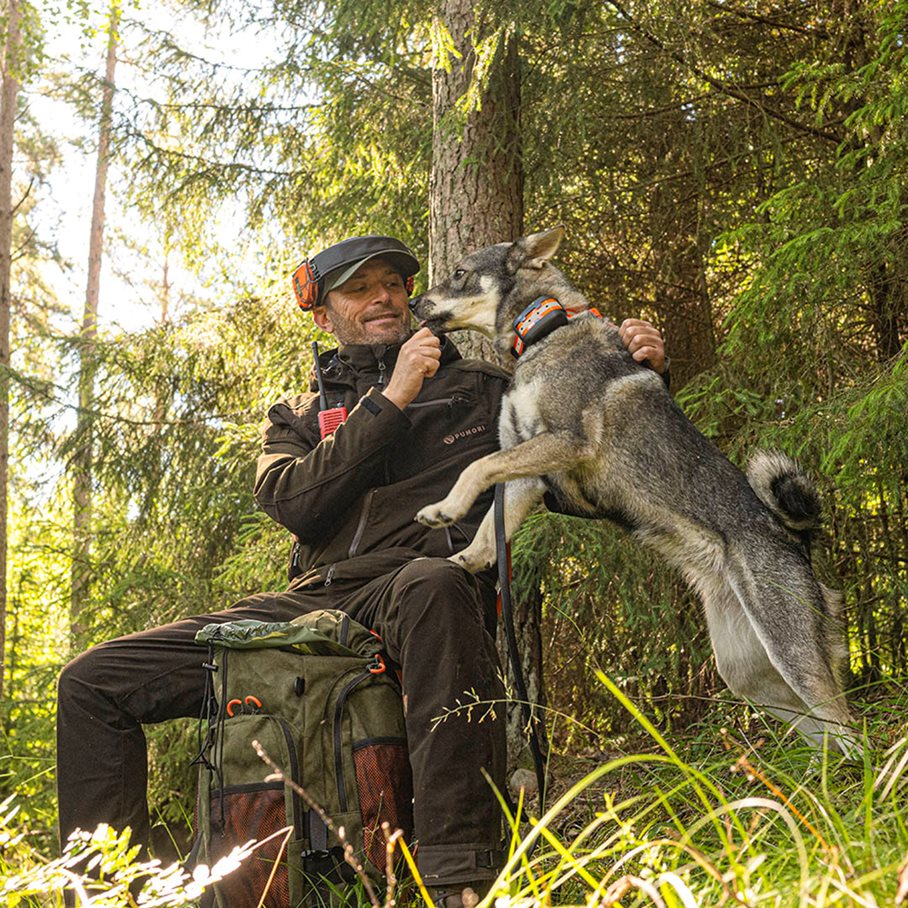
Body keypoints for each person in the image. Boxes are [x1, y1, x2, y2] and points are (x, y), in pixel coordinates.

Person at [56, 234, 666, 907]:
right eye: (360, 288)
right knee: (93, 683)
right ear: (324, 314)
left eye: (394, 284)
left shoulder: (484, 392)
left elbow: (596, 489)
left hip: (419, 585)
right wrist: (391, 400)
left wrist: (637, 384)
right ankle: (105, 892)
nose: (384, 297)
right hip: (309, 603)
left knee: (435, 582)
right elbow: (295, 505)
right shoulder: (298, 416)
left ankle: (458, 883)